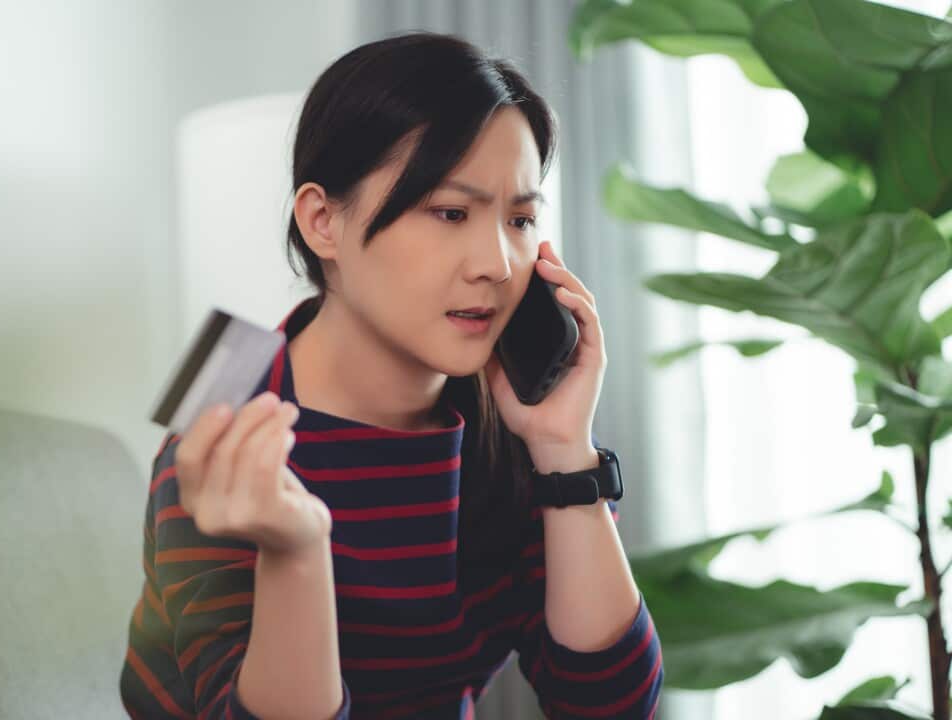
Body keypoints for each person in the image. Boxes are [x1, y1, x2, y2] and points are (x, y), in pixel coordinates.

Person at [120, 30, 664, 719]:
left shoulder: (512, 435)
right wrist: (296, 551)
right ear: (323, 221)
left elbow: (608, 708)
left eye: (521, 218)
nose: (497, 263)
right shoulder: (229, 445)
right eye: (450, 212)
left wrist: (565, 455)